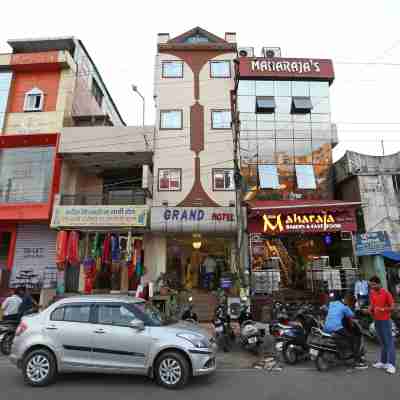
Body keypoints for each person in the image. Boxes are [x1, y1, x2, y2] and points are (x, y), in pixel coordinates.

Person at [324, 291, 367, 369]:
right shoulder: (344, 307)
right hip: (336, 327)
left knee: (343, 337)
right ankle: (357, 361)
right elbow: (351, 315)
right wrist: (358, 313)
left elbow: (328, 311)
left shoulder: (331, 304)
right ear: (342, 299)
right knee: (353, 339)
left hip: (326, 327)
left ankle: (342, 353)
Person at [368, 275, 396, 374]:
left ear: (379, 284)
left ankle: (392, 364)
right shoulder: (372, 293)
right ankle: (383, 362)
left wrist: (383, 309)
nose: (372, 287)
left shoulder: (386, 293)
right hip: (376, 320)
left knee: (389, 343)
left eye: (374, 285)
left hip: (385, 320)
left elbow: (393, 307)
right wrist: (369, 309)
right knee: (382, 342)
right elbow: (372, 304)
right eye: (371, 285)